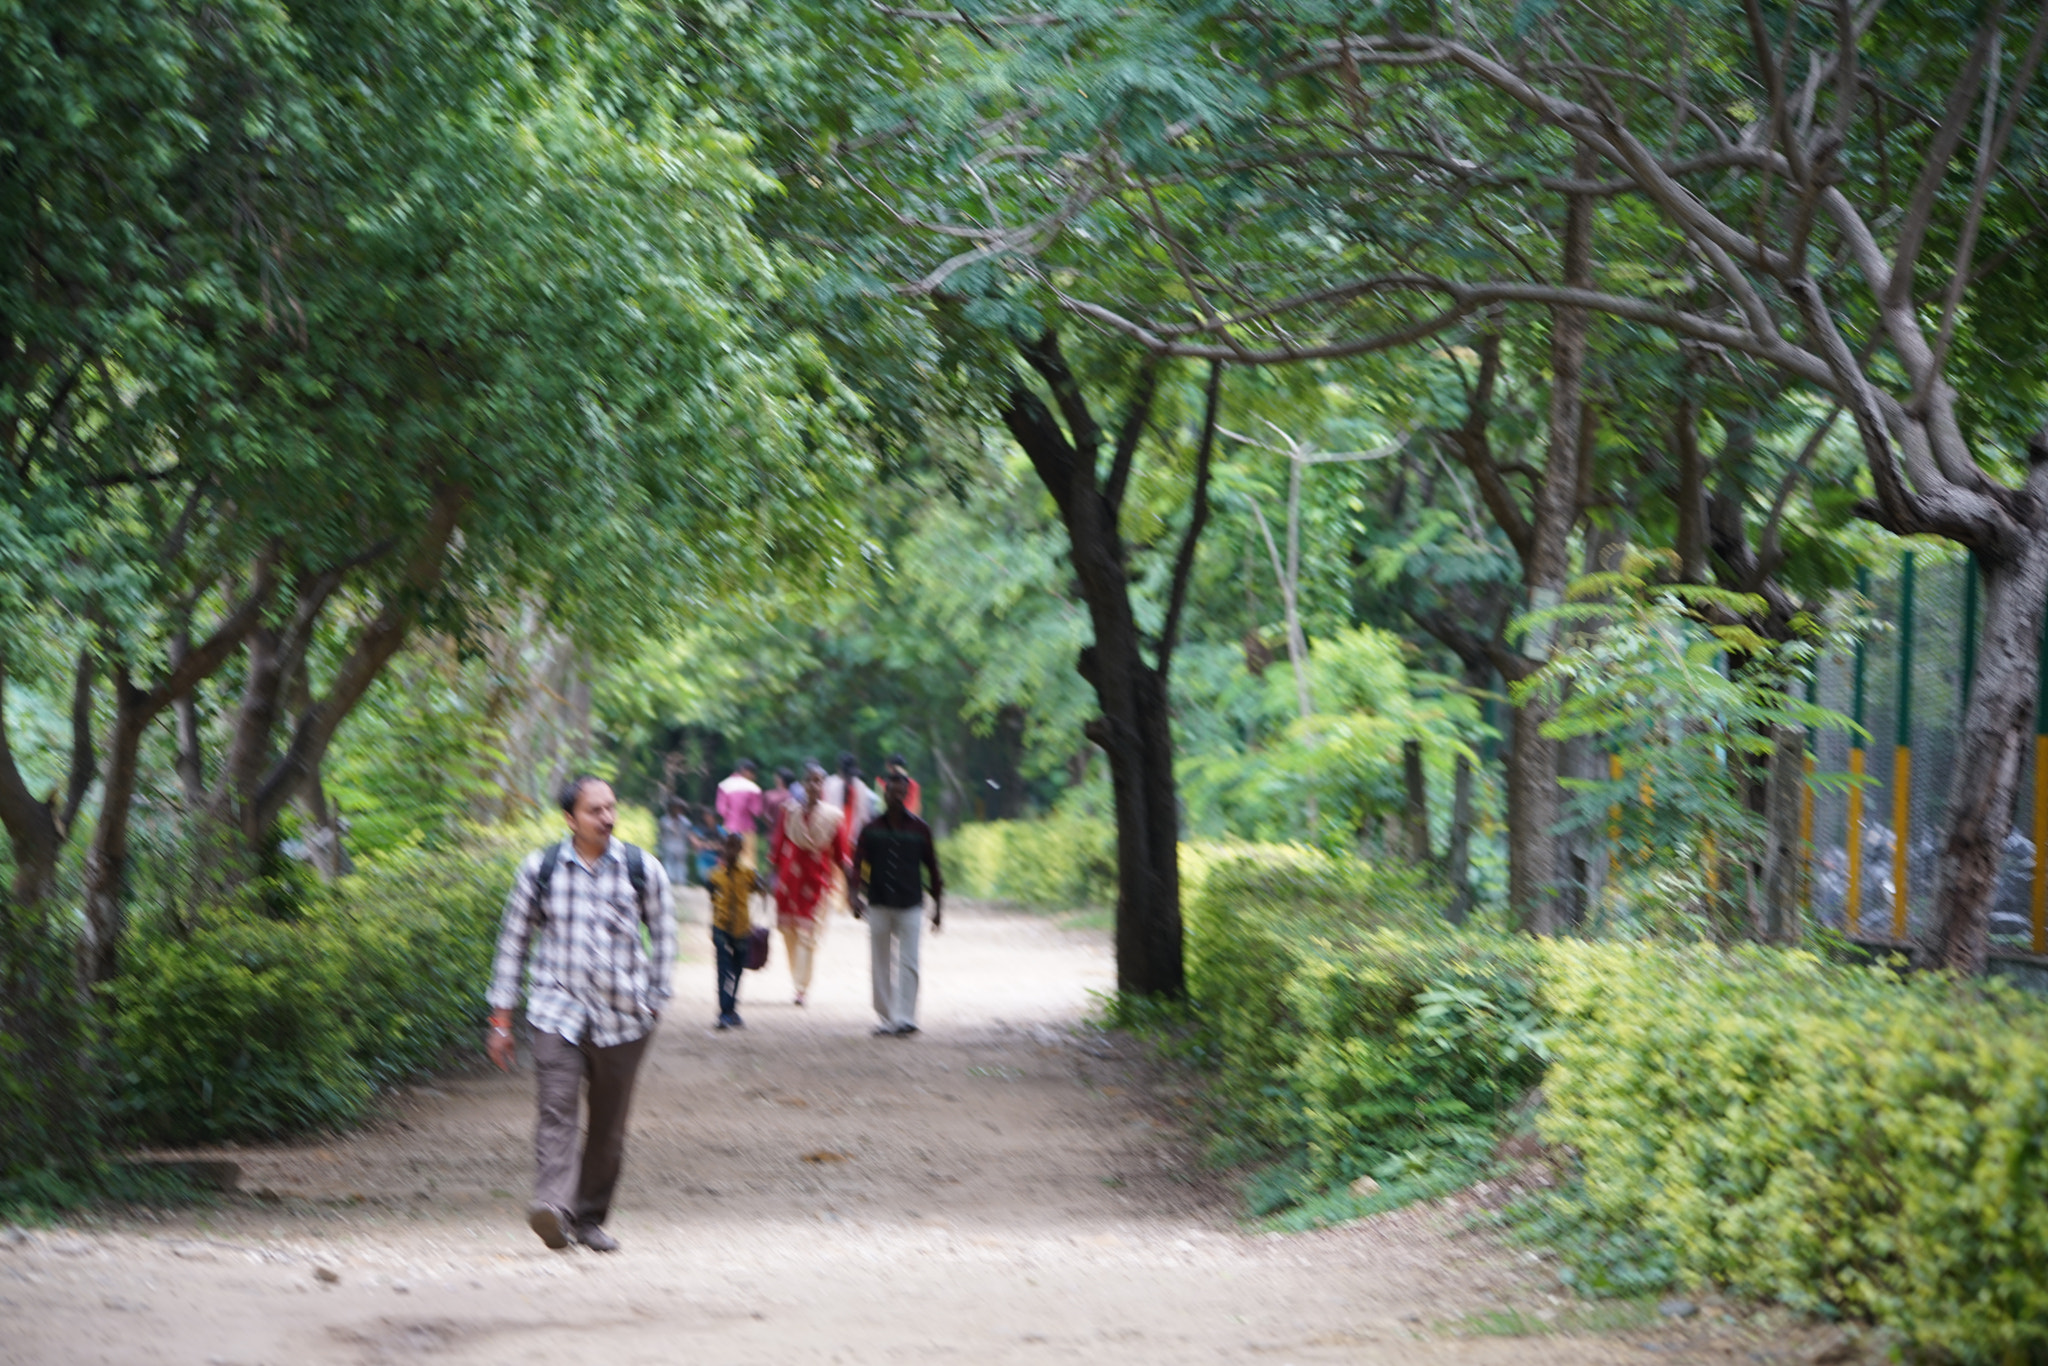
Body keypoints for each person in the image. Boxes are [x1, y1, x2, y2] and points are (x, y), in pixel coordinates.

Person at [486, 775, 674, 1253]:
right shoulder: (541, 869)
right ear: (570, 819)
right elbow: (513, 943)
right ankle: (553, 1206)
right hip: (557, 1011)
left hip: (625, 1018)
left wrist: (656, 997)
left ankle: (589, 1219)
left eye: (611, 808)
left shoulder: (640, 868)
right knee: (556, 1112)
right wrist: (501, 1021)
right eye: (595, 810)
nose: (606, 818)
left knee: (608, 1126)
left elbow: (665, 934)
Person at [849, 770, 944, 1037]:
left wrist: (938, 908)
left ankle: (905, 1018)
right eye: (892, 791)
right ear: (885, 793)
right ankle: (886, 1017)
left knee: (909, 961)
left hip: (911, 903)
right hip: (878, 902)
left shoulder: (920, 829)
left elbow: (933, 870)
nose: (897, 796)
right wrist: (854, 894)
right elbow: (857, 866)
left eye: (902, 792)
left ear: (907, 794)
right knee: (880, 962)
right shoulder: (871, 829)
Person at [773, 761, 841, 1006]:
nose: (814, 785)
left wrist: (850, 885)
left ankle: (802, 988)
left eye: (819, 781)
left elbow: (840, 853)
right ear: (803, 783)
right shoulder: (789, 811)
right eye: (810, 780)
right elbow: (778, 846)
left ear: (823, 785)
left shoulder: (832, 817)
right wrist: (773, 877)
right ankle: (796, 979)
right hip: (789, 880)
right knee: (789, 933)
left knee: (808, 936)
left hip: (817, 881)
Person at [706, 832, 753, 1030]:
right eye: (728, 846)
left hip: (742, 929)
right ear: (723, 848)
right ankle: (725, 1011)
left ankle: (731, 1009)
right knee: (724, 971)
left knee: (738, 972)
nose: (731, 851)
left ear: (741, 850)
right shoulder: (714, 876)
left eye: (735, 847)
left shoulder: (749, 874)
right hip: (721, 929)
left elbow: (760, 889)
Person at [715, 759, 765, 871]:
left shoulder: (724, 785)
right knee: (748, 858)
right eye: (753, 773)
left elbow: (721, 810)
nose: (754, 777)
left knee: (726, 856)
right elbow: (756, 811)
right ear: (746, 771)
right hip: (747, 829)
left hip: (728, 828)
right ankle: (746, 884)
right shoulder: (754, 788)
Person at [657, 796, 693, 888]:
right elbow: (660, 837)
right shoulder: (664, 821)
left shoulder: (686, 822)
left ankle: (681, 885)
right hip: (668, 847)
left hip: (681, 848)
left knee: (681, 870)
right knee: (669, 869)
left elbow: (688, 835)